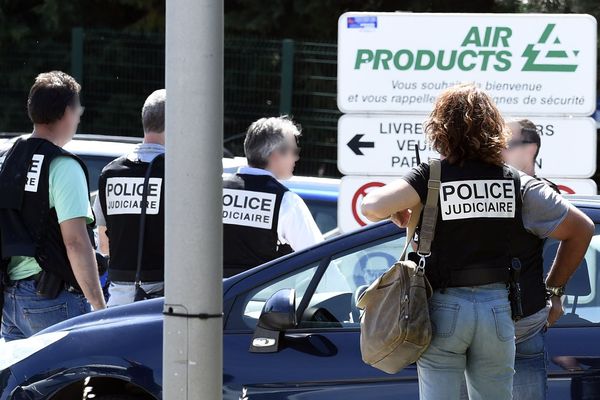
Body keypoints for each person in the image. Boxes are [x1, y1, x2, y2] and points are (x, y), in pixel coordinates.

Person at [361, 83, 594, 400]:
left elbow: (370, 206)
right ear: (495, 129)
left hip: (443, 308)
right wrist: (554, 291)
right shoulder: (515, 181)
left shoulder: (431, 177)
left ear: (440, 129)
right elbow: (581, 227)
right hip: (500, 312)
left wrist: (398, 208)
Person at [0, 71, 106, 341]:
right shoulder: (63, 166)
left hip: (10, 300)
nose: (79, 116)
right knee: (70, 382)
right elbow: (76, 243)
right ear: (67, 112)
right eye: (78, 108)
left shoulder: (7, 159)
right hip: (52, 300)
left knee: (20, 383)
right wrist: (99, 308)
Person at [223, 116, 323, 277]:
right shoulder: (286, 201)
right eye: (294, 151)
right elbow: (318, 256)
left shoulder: (215, 191)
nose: (296, 158)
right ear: (275, 155)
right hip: (256, 298)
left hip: (205, 293)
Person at [94, 89, 166, 307]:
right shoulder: (179, 174)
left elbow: (103, 245)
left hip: (118, 297)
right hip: (164, 297)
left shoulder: (111, 172)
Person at [505, 119, 560, 192]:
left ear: (530, 149)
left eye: (508, 144)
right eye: (498, 146)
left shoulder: (544, 191)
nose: (500, 151)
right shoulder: (495, 188)